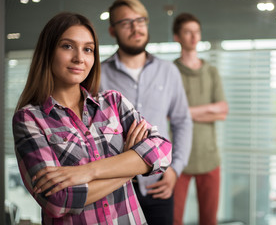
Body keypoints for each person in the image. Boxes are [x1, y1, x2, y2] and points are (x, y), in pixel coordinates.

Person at [12, 12, 172, 225]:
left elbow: (162, 151)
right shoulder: (29, 119)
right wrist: (129, 164)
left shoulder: (113, 103)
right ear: (48, 51)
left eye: (88, 49)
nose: (79, 58)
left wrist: (86, 172)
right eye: (67, 46)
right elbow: (58, 201)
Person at [100, 0, 193, 225]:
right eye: (126, 22)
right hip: (115, 187)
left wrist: (176, 169)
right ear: (113, 30)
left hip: (159, 184)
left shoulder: (168, 70)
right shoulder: (99, 75)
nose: (135, 28)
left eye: (140, 20)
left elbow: (182, 121)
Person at [172, 13, 229, 225]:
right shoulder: (170, 71)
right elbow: (168, 113)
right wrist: (208, 110)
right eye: (188, 32)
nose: (194, 36)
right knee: (173, 219)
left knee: (209, 220)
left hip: (210, 157)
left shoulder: (211, 71)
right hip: (179, 158)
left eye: (197, 31)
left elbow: (222, 111)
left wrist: (184, 112)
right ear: (177, 37)